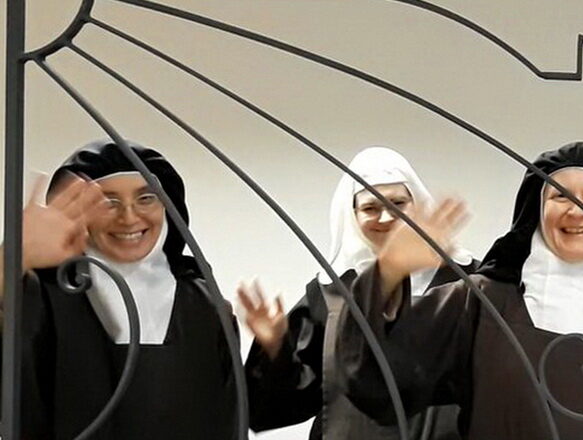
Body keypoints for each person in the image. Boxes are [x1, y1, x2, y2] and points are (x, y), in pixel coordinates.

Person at [336, 141, 583, 439]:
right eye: (560, 196)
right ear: (537, 209)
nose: (577, 211)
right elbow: (382, 381)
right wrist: (389, 271)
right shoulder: (479, 303)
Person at [4, 140, 237, 439]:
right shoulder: (42, 296)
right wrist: (11, 260)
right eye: (108, 202)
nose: (129, 217)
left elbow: (229, 419)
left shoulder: (206, 306)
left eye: (146, 198)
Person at [241, 146, 476, 439]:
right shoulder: (331, 293)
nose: (385, 217)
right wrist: (276, 348)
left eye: (397, 203)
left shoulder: (466, 283)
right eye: (370, 208)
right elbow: (294, 400)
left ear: (416, 205)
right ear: (352, 215)